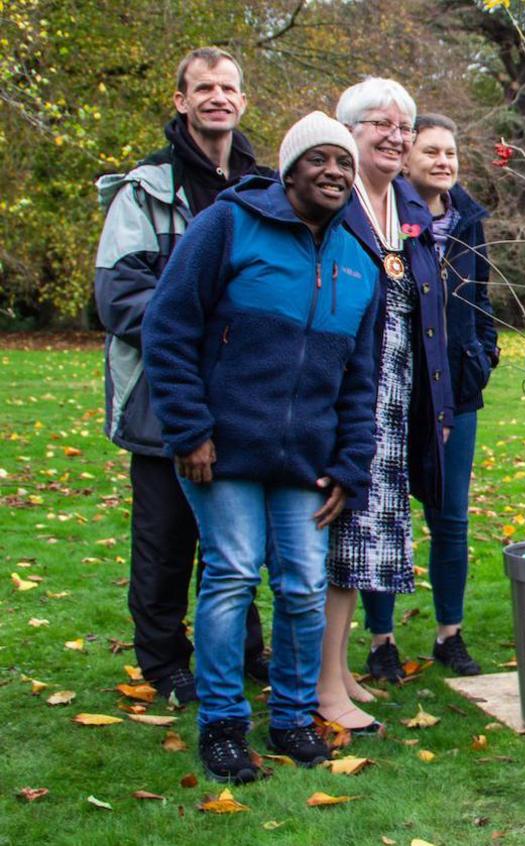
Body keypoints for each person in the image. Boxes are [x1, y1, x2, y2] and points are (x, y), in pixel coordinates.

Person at [142, 112, 378, 782]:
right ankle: (221, 724)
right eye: (319, 160)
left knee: (303, 587)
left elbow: (362, 381)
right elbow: (168, 324)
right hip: (220, 449)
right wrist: (189, 430)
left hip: (306, 460)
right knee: (234, 575)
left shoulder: (358, 263)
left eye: (343, 163)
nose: (333, 172)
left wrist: (348, 466)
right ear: (290, 168)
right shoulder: (229, 224)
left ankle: (294, 718)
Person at [94, 46, 268, 705]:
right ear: (181, 100)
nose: (217, 97)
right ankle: (163, 661)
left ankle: (245, 650)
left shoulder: (262, 188)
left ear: (243, 101)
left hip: (239, 393)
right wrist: (201, 325)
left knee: (234, 536)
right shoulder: (145, 189)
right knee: (166, 538)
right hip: (162, 392)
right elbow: (117, 296)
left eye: (228, 87)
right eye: (204, 87)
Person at [320, 78, 453, 733]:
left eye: (404, 126)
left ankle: (338, 668)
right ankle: (321, 683)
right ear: (348, 131)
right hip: (344, 399)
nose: (397, 136)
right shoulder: (332, 201)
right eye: (382, 124)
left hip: (397, 401)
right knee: (338, 537)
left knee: (363, 544)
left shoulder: (406, 205)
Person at [376, 113, 497, 676]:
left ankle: (450, 634)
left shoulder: (469, 222)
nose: (443, 161)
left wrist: (482, 357)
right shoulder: (385, 214)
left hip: (457, 391)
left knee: (450, 518)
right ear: (407, 159)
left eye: (450, 152)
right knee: (386, 513)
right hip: (397, 388)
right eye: (431, 151)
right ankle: (381, 640)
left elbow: (483, 299)